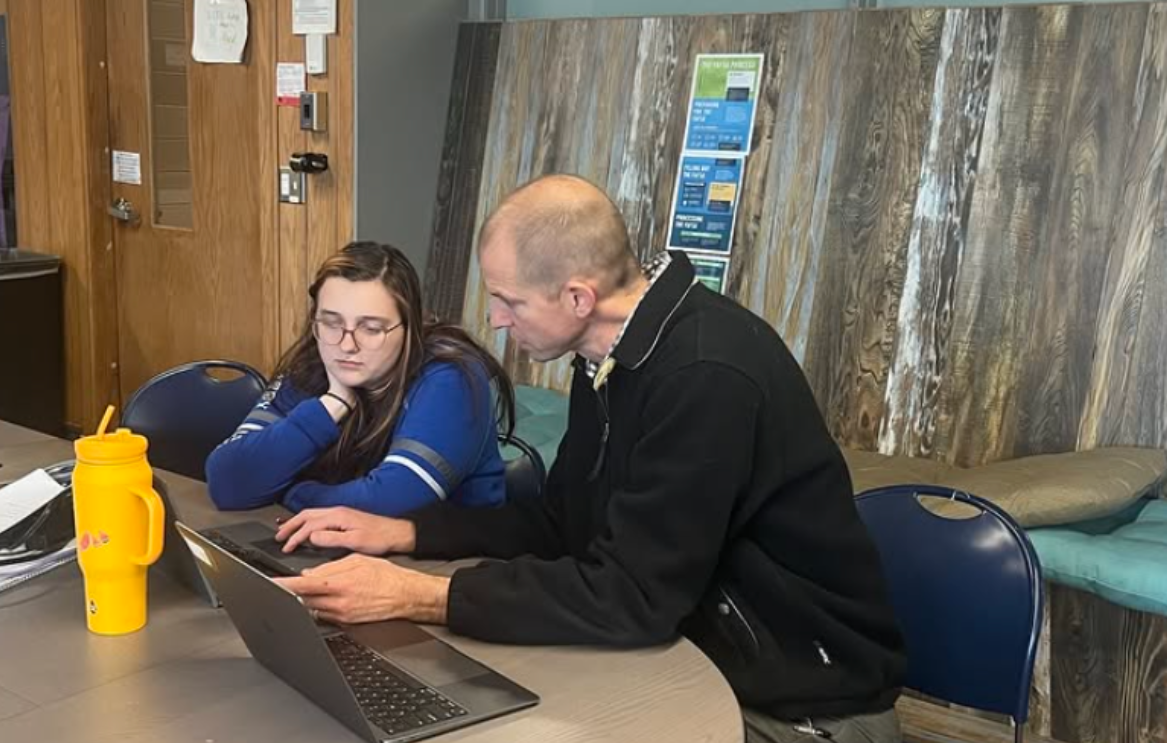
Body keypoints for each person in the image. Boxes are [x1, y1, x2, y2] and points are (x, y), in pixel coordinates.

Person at [273, 176, 907, 742]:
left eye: (509, 301)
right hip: (697, 657)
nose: (494, 320)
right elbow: (564, 524)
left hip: (802, 709)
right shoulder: (608, 357)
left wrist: (419, 594)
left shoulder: (704, 376)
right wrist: (409, 532)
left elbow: (631, 595)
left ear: (578, 297)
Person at [205, 241, 516, 517]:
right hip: (339, 553)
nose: (347, 345)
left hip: (446, 566)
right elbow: (229, 481)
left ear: (410, 329)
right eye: (331, 323)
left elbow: (391, 502)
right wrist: (334, 402)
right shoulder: (315, 361)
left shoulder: (451, 377)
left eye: (371, 328)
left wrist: (292, 491)